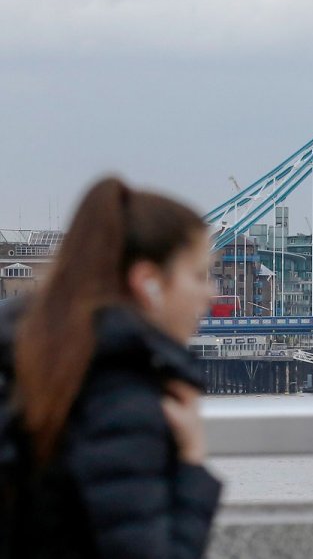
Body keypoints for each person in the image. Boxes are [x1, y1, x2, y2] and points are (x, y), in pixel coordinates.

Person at [0, 177, 221, 558]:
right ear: (148, 283)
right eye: (199, 275)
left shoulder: (47, 374)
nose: (212, 293)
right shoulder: (122, 402)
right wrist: (192, 463)